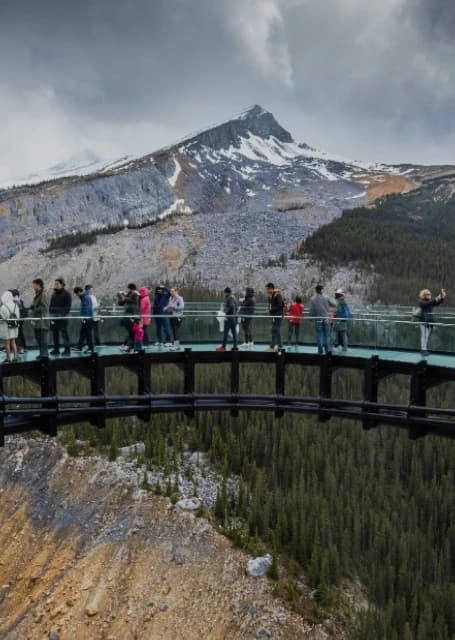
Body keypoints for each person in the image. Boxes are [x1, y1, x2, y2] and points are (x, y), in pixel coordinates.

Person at [417, 287, 446, 355]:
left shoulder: (429, 302)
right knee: (424, 336)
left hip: (429, 321)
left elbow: (437, 303)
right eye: (428, 294)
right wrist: (437, 298)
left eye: (430, 294)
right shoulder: (421, 301)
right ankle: (423, 350)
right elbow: (428, 303)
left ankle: (424, 349)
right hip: (423, 321)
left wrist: (442, 297)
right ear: (424, 295)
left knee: (426, 336)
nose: (430, 295)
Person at [309, 284, 336, 355]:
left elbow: (311, 310)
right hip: (326, 318)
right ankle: (327, 350)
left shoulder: (312, 299)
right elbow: (334, 304)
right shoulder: (326, 297)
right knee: (327, 335)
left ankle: (320, 350)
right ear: (321, 290)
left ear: (316, 290)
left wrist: (311, 317)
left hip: (318, 319)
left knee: (319, 335)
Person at [49, 277, 72, 356]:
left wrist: (61, 315)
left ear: (62, 285)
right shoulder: (54, 294)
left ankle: (67, 350)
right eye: (55, 284)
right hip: (54, 318)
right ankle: (56, 349)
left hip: (62, 318)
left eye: (57, 284)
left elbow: (68, 307)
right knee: (55, 334)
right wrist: (51, 315)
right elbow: (51, 306)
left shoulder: (66, 294)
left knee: (64, 334)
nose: (55, 285)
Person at [30, 278, 50, 359]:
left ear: (38, 285)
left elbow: (45, 308)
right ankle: (42, 354)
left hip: (42, 321)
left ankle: (44, 355)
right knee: (39, 338)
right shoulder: (38, 294)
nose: (33, 286)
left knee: (43, 339)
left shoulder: (43, 294)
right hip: (38, 320)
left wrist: (34, 308)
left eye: (33, 285)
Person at [117, 283, 140, 351]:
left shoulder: (135, 294)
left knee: (132, 332)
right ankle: (130, 347)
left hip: (132, 317)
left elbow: (131, 300)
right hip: (129, 317)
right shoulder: (131, 295)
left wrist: (124, 295)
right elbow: (121, 303)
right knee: (131, 333)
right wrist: (120, 295)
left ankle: (131, 347)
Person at [73, 286, 95, 353]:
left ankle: (90, 348)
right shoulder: (85, 296)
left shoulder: (85, 298)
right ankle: (79, 347)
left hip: (87, 318)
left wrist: (85, 318)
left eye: (77, 294)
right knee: (83, 333)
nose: (77, 295)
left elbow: (87, 309)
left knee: (88, 334)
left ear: (79, 292)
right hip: (86, 318)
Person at [0, 290, 20, 363]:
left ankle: (8, 358)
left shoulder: (3, 307)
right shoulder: (15, 305)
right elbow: (18, 317)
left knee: (7, 343)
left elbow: (2, 319)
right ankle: (15, 357)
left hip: (6, 327)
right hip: (14, 326)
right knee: (13, 342)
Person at [265, 282, 284, 351]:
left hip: (278, 314)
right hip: (274, 315)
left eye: (267, 289)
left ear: (271, 288)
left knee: (276, 329)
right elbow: (270, 305)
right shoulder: (270, 295)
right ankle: (272, 346)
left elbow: (279, 305)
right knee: (273, 330)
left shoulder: (277, 295)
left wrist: (271, 310)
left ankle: (280, 346)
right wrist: (269, 311)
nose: (267, 290)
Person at [9, 289, 27, 353]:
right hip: (18, 319)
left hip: (19, 320)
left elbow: (21, 310)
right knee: (18, 334)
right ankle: (19, 347)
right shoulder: (16, 301)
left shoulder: (18, 301)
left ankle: (22, 348)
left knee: (19, 334)